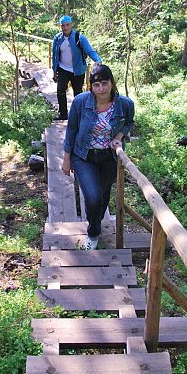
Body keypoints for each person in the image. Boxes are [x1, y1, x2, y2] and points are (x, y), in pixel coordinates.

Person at [62, 64, 135, 249]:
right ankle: (93, 233)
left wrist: (119, 137)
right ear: (90, 86)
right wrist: (66, 157)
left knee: (102, 197)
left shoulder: (124, 104)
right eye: (96, 85)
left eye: (104, 83)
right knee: (93, 197)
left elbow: (129, 122)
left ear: (112, 83)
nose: (101, 89)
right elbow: (71, 129)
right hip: (83, 156)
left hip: (109, 158)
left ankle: (96, 222)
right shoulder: (80, 102)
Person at [52, 15, 101, 120]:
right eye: (63, 25)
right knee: (60, 91)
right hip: (62, 69)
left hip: (77, 70)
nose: (65, 28)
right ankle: (63, 114)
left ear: (71, 25)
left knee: (78, 93)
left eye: (67, 25)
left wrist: (98, 61)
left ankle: (78, 115)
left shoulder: (79, 38)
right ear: (60, 26)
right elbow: (54, 55)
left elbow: (90, 51)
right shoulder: (57, 38)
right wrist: (54, 70)